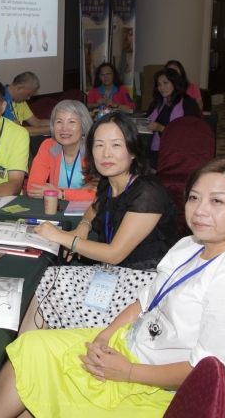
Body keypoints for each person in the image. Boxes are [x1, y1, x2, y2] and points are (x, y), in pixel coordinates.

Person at [0, 157, 225, 418]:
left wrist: (129, 372)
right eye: (194, 197)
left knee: (34, 381)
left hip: (158, 387)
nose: (199, 210)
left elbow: (206, 374)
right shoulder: (191, 245)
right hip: (130, 345)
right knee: (31, 349)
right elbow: (144, 303)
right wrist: (105, 336)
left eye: (217, 201)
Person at [22, 113, 179, 331]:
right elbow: (94, 209)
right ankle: (28, 346)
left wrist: (62, 237)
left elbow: (115, 254)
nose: (106, 154)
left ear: (133, 150)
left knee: (52, 287)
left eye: (116, 145)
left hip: (143, 285)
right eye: (99, 145)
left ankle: (35, 344)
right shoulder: (109, 181)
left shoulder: (148, 193)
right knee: (47, 279)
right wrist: (83, 227)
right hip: (114, 273)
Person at [25, 100, 98, 202]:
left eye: (71, 122)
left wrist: (61, 193)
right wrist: (78, 192)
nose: (64, 128)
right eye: (59, 122)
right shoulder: (48, 146)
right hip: (56, 208)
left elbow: (99, 193)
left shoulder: (94, 149)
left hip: (87, 209)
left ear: (83, 126)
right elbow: (33, 189)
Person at [145, 67, 203, 170]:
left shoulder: (188, 103)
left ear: (175, 83)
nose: (162, 87)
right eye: (159, 84)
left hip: (181, 150)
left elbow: (191, 132)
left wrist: (162, 128)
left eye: (165, 83)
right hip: (158, 148)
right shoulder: (157, 103)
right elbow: (146, 121)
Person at [3, 71, 51, 136]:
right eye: (29, 94)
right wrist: (53, 129)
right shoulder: (1, 100)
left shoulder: (20, 100)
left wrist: (58, 123)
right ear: (20, 88)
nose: (28, 98)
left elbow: (37, 123)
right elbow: (18, 130)